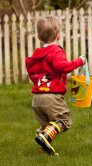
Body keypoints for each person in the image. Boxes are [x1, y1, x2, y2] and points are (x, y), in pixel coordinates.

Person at [25, 16, 85, 155]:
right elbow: (62, 67)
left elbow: (30, 68)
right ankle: (45, 137)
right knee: (64, 120)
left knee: (47, 125)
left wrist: (37, 81)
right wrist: (79, 61)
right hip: (52, 96)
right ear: (58, 36)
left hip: (37, 97)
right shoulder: (55, 51)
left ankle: (43, 151)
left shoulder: (38, 53)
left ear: (38, 37)